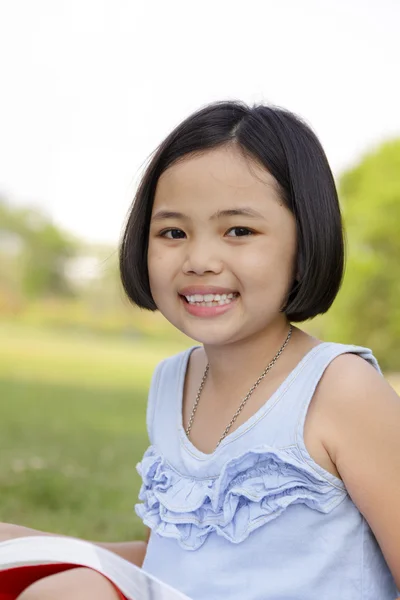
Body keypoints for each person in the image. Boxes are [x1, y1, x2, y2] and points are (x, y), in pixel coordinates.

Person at [1, 100, 400, 599]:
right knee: (62, 583)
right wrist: (36, 542)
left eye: (239, 231)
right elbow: (172, 565)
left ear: (303, 245)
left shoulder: (340, 389)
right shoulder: (173, 382)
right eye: (173, 232)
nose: (200, 259)